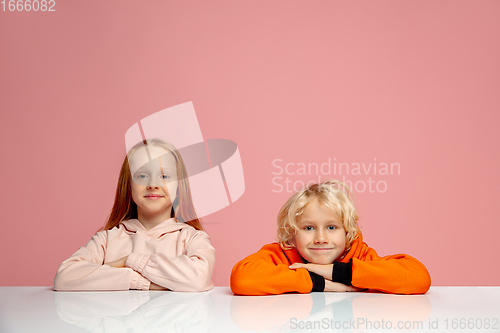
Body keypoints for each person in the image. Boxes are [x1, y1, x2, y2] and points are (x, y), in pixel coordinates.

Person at [54, 138, 215, 291]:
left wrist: (129, 261)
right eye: (142, 176)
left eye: (164, 176)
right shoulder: (107, 239)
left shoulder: (193, 238)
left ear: (179, 188)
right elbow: (65, 277)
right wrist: (142, 282)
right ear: (129, 186)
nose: (153, 184)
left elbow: (198, 278)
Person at [230, 180, 430, 295]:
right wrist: (320, 283)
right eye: (308, 228)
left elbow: (419, 277)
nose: (320, 238)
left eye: (331, 227)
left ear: (347, 232)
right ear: (291, 233)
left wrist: (337, 272)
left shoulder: (358, 255)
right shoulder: (282, 253)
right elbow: (242, 279)